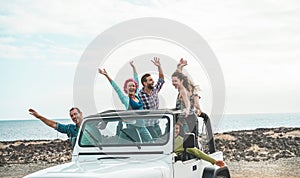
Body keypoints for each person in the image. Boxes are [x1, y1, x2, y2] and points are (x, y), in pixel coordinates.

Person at [98, 61, 152, 142]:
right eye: (130, 86)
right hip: (132, 127)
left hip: (142, 126)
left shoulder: (137, 95)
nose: (132, 87)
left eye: (133, 86)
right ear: (126, 89)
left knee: (151, 142)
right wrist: (106, 75)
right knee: (137, 144)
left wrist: (133, 67)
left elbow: (136, 79)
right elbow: (116, 88)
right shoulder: (125, 99)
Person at [138, 57, 165, 137]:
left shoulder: (155, 90)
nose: (153, 81)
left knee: (162, 139)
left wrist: (159, 66)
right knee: (156, 141)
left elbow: (161, 79)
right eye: (150, 80)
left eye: (152, 80)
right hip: (147, 125)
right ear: (145, 83)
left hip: (156, 123)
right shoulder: (140, 95)